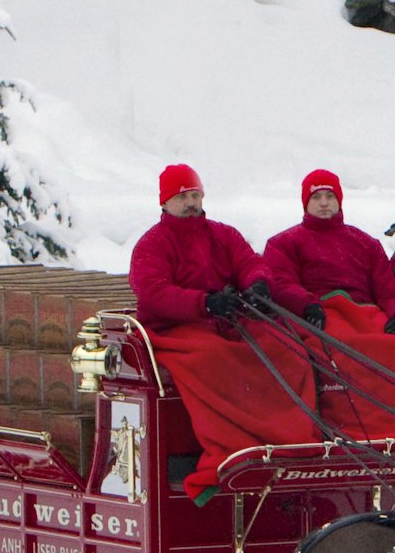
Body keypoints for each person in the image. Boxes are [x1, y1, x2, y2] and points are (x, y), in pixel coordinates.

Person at [127, 163, 320, 498]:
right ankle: (233, 449)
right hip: (178, 328)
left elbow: (250, 263)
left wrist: (258, 285)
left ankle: (294, 441)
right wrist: (204, 303)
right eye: (182, 196)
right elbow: (154, 292)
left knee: (286, 348)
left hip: (229, 319)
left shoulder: (223, 234)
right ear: (165, 202)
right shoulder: (152, 244)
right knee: (214, 359)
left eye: (195, 194)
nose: (190, 201)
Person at [260, 167, 395, 439]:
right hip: (319, 314)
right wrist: (306, 305)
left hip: (365, 314)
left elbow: (388, 290)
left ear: (339, 201)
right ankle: (349, 430)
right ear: (305, 203)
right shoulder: (284, 243)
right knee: (342, 351)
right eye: (316, 197)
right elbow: (281, 282)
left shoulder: (364, 243)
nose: (323, 203)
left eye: (329, 197)